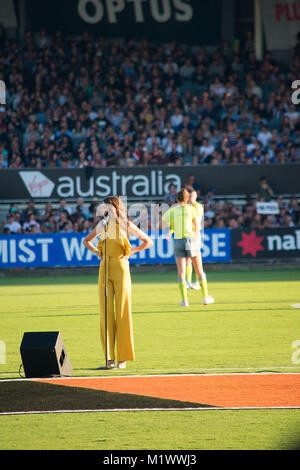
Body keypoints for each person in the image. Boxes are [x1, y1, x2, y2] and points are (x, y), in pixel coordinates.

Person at [83, 196, 153, 369]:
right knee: (105, 314)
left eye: (106, 205)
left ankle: (122, 360)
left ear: (114, 206)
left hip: (121, 268)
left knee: (122, 311)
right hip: (104, 268)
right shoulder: (103, 225)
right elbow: (86, 241)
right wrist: (97, 253)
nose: (103, 209)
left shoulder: (126, 225)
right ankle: (109, 360)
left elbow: (148, 241)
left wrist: (132, 252)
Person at [162, 188, 214, 307]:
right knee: (199, 270)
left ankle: (184, 300)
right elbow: (197, 226)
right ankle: (205, 297)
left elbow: (163, 223)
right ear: (187, 199)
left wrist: (171, 230)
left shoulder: (172, 210)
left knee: (181, 272)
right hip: (190, 240)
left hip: (178, 240)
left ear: (176, 198)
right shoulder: (191, 208)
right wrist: (195, 238)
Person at [186, 190, 204, 290]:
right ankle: (188, 282)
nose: (191, 198)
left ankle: (198, 281)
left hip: (195, 235)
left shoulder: (198, 207)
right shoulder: (187, 207)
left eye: (192, 196)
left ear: (196, 197)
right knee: (188, 258)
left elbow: (195, 221)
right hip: (188, 235)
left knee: (196, 260)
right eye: (189, 196)